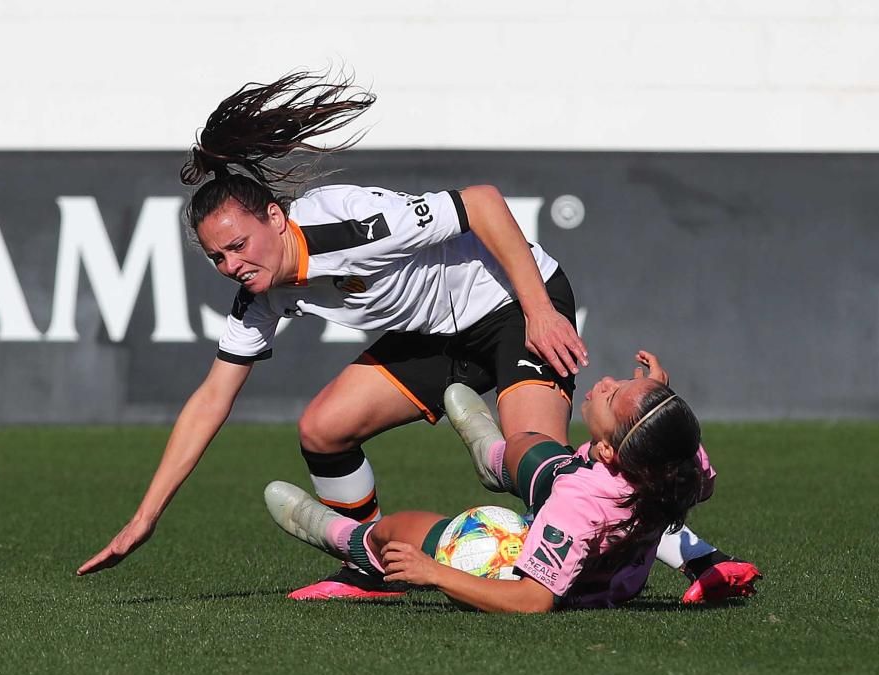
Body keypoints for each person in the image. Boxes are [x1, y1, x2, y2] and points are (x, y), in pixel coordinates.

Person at [76, 69, 756, 603]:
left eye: (237, 245)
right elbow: (209, 401)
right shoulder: (260, 292)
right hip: (433, 333)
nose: (231, 264)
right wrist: (146, 515)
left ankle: (701, 558)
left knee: (535, 461)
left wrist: (542, 310)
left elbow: (483, 203)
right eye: (216, 258)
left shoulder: (353, 226)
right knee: (322, 429)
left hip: (513, 303)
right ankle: (367, 563)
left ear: (277, 220)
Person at [264, 354, 758, 611]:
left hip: (549, 577)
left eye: (615, 397)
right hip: (614, 561)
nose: (606, 383)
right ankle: (492, 456)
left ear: (609, 450)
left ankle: (343, 538)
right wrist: (655, 399)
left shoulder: (577, 504)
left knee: (400, 528)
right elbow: (678, 461)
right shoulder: (680, 463)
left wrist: (433, 574)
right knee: (532, 446)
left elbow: (533, 600)